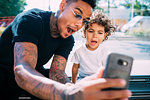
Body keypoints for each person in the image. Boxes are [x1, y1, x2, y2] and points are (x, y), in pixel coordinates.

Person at [0, 0, 131, 99]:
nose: (79, 24)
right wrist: (69, 94)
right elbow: (22, 70)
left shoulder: (67, 39)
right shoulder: (31, 20)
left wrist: (74, 87)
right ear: (63, 5)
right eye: (77, 14)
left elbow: (56, 73)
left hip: (32, 77)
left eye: (85, 21)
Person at [71, 10, 114, 83]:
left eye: (100, 33)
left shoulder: (105, 52)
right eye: (91, 31)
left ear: (104, 35)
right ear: (84, 33)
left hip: (98, 79)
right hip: (83, 79)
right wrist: (73, 83)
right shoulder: (79, 51)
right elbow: (75, 68)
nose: (95, 36)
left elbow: (107, 71)